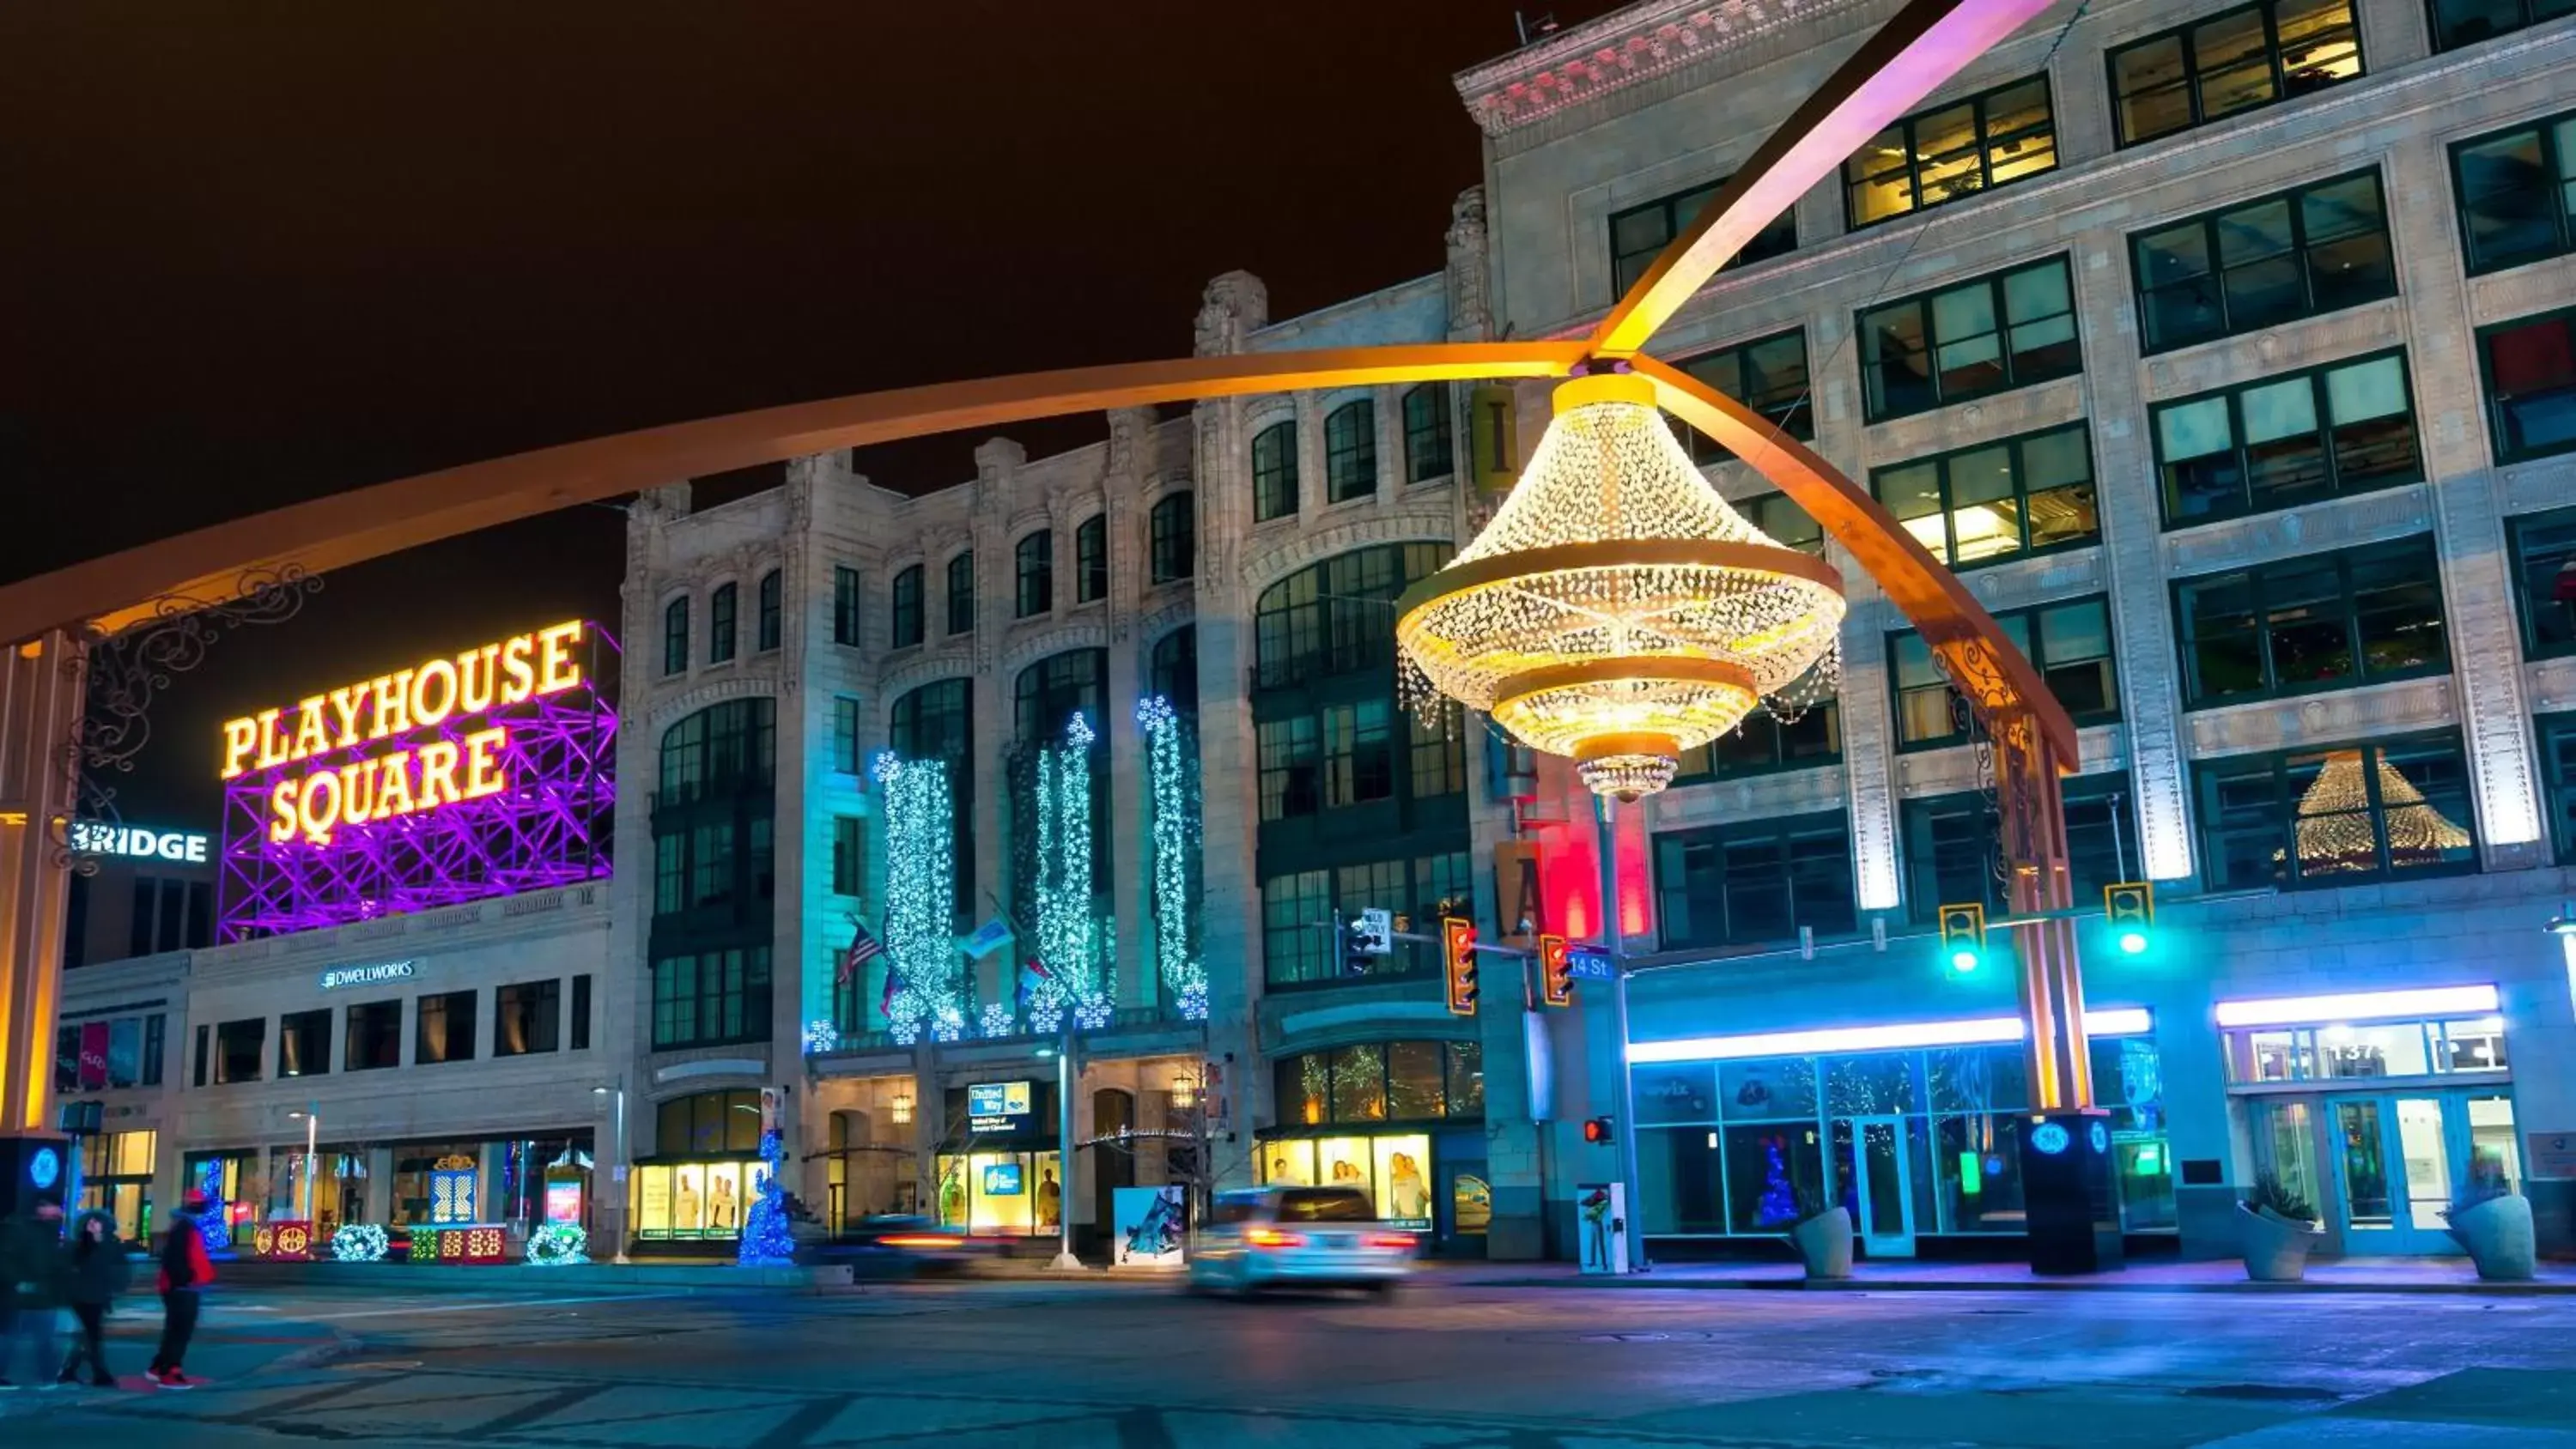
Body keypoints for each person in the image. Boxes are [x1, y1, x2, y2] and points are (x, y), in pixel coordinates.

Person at [149, 1191, 216, 1389]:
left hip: (180, 1286)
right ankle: (170, 1371)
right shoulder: (185, 1227)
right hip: (182, 1287)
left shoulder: (184, 1225)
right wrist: (186, 1280)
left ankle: (160, 1366)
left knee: (175, 1329)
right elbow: (175, 1258)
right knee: (180, 1330)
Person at [0, 1194, 67, 1391]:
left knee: (43, 1338)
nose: (58, 1212)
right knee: (12, 1337)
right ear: (42, 1208)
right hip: (21, 1296)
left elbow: (55, 1263)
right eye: (54, 1208)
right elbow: (6, 1260)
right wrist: (19, 1281)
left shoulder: (50, 1231)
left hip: (42, 1296)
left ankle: (48, 1377)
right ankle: (45, 1377)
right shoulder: (19, 1229)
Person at [57, 1210, 130, 1388]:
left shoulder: (112, 1246)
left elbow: (118, 1270)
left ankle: (70, 1370)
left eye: (96, 1222)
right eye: (90, 1223)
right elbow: (70, 1269)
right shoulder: (79, 1246)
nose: (93, 1225)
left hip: (98, 1297)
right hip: (80, 1297)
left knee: (87, 1336)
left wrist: (116, 1289)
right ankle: (99, 1373)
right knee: (91, 1336)